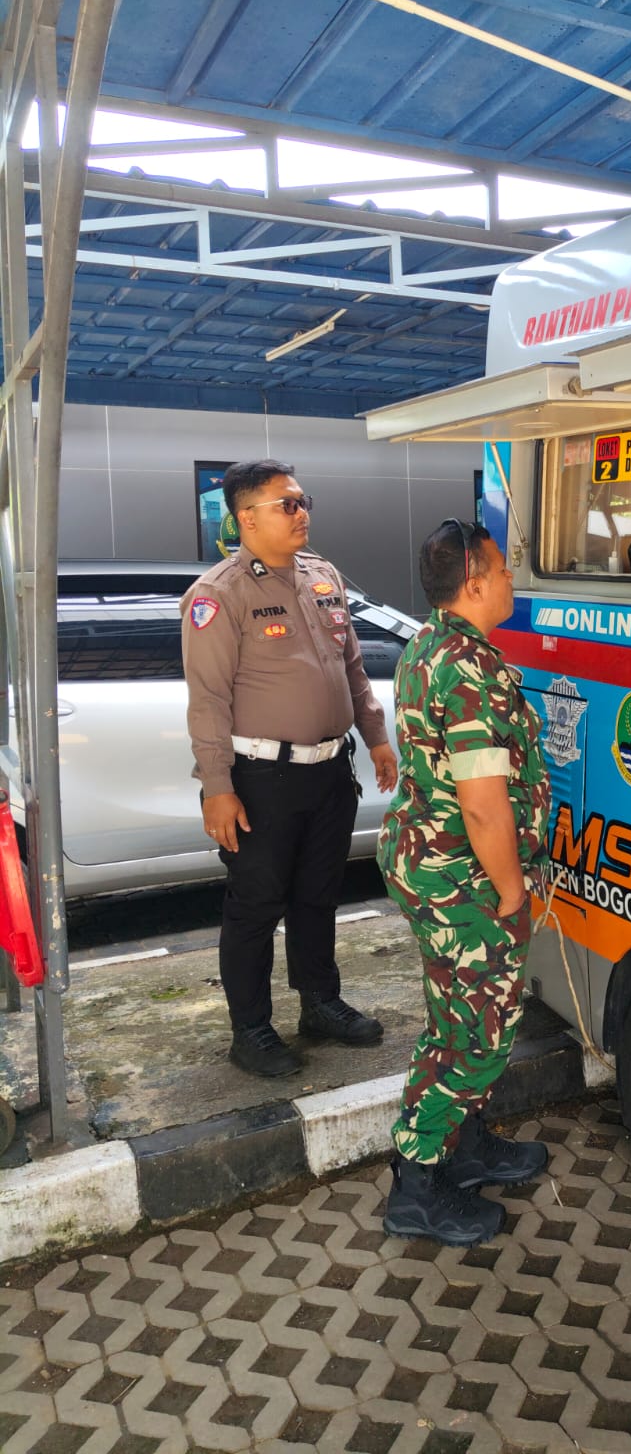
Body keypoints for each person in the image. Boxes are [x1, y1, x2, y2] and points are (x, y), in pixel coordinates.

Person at [181, 459, 398, 1078]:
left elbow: (352, 667)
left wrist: (376, 737)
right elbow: (208, 702)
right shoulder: (218, 595)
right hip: (261, 780)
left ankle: (320, 1004)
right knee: (255, 904)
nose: (302, 514)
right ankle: (250, 1030)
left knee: (317, 897)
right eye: (287, 505)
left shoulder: (323, 576)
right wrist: (217, 790)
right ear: (246, 517)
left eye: (304, 502)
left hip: (331, 771)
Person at [377, 518, 552, 1247]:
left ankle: (466, 1145)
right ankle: (416, 1185)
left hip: (430, 865)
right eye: (505, 570)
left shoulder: (429, 646)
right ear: (475, 582)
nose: (514, 581)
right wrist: (511, 894)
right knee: (478, 1039)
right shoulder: (471, 668)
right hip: (465, 881)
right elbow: (483, 804)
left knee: (458, 1021)